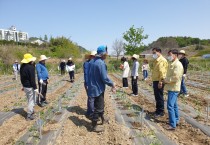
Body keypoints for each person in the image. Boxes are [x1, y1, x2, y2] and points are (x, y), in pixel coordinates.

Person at [87, 45, 116, 132]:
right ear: (103, 53)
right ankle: (94, 126)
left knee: (100, 104)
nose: (107, 54)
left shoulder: (93, 61)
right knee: (98, 107)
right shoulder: (101, 63)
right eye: (106, 52)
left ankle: (103, 118)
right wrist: (112, 84)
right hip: (98, 88)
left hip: (94, 86)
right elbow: (105, 78)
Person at [163, 49, 183, 130]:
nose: (168, 56)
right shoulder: (173, 63)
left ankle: (172, 125)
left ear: (175, 55)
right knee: (174, 105)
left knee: (170, 106)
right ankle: (176, 120)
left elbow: (176, 77)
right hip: (172, 87)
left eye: (170, 55)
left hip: (174, 88)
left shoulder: (177, 65)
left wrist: (165, 80)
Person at [20, 53, 38, 120]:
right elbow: (32, 79)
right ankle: (29, 114)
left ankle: (32, 111)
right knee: (32, 100)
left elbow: (21, 77)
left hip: (25, 86)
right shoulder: (31, 68)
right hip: (30, 86)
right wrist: (35, 88)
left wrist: (23, 85)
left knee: (29, 99)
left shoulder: (22, 66)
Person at [151, 47, 168, 118]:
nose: (153, 54)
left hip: (159, 81)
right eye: (153, 53)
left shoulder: (162, 60)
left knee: (159, 96)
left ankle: (161, 111)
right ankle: (158, 110)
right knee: (157, 96)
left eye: (154, 53)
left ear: (159, 52)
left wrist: (160, 81)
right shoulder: (156, 60)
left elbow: (162, 72)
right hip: (156, 80)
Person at [83, 51, 97, 119]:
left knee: (90, 98)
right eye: (94, 56)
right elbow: (86, 74)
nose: (95, 57)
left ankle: (89, 112)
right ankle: (90, 113)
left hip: (92, 83)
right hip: (88, 83)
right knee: (91, 98)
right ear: (91, 56)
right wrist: (87, 83)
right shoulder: (87, 63)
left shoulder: (93, 63)